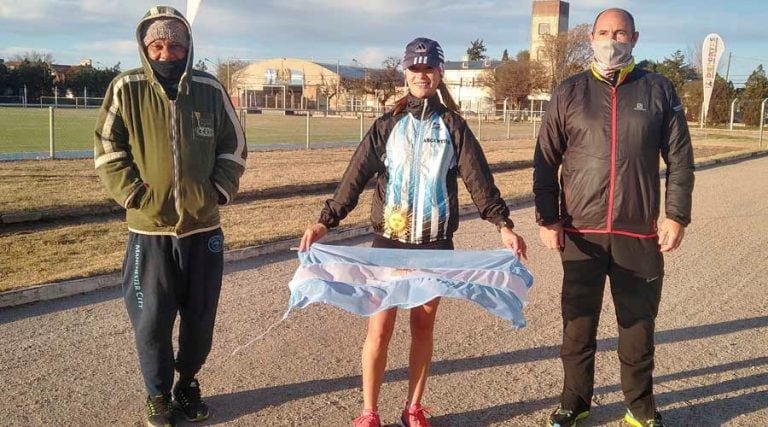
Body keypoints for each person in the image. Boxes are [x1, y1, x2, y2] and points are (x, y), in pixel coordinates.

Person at [299, 37, 527, 427]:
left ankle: (412, 407)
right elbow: (354, 178)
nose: (421, 75)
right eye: (415, 69)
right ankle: (369, 411)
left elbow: (479, 182)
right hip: (388, 244)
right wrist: (326, 220)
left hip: (435, 245)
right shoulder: (387, 125)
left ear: (439, 73)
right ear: (406, 73)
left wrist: (502, 224)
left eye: (428, 69)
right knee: (380, 328)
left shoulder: (454, 126)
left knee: (422, 328)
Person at [533, 8, 694, 427]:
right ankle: (575, 402)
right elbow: (545, 161)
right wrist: (549, 218)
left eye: (620, 33)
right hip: (581, 233)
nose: (612, 40)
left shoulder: (659, 89)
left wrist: (675, 215)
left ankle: (640, 408)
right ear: (591, 37)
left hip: (638, 232)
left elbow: (680, 160)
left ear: (635, 39)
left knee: (637, 330)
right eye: (604, 32)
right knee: (577, 328)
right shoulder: (569, 91)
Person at [93, 6, 247, 427]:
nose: (166, 52)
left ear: (187, 47)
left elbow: (233, 147)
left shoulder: (209, 90)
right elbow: (108, 147)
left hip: (204, 232)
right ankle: (157, 394)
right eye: (157, 45)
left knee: (200, 321)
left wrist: (217, 190)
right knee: (152, 321)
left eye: (175, 44)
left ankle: (187, 383)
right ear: (146, 48)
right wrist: (134, 193)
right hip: (150, 232)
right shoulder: (126, 88)